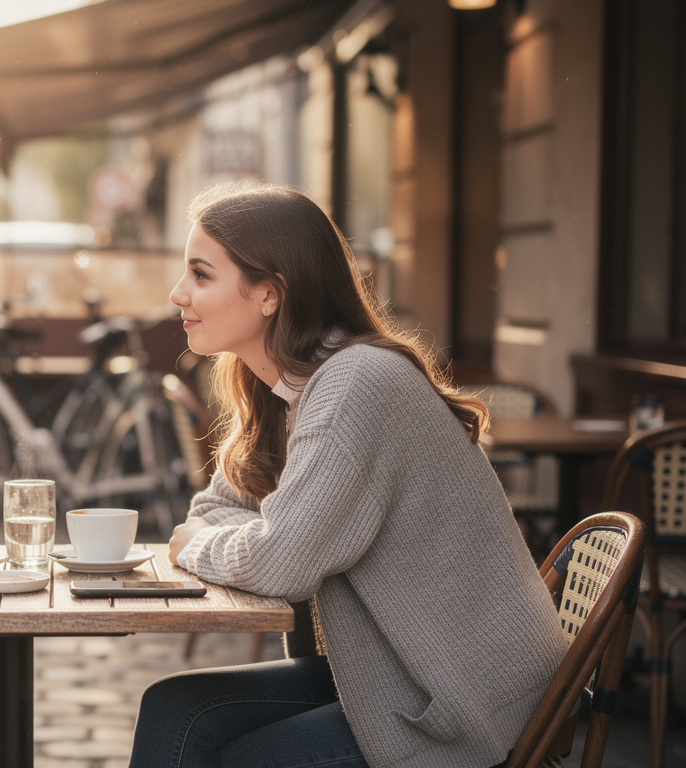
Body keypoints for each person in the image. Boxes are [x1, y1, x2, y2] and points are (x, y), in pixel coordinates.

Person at [128, 183, 567, 768]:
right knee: (173, 710)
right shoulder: (285, 387)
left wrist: (202, 546)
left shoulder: (354, 384)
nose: (178, 293)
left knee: (234, 758)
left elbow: (279, 562)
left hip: (464, 702)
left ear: (269, 293)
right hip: (386, 674)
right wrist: (241, 537)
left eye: (200, 274)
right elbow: (214, 510)